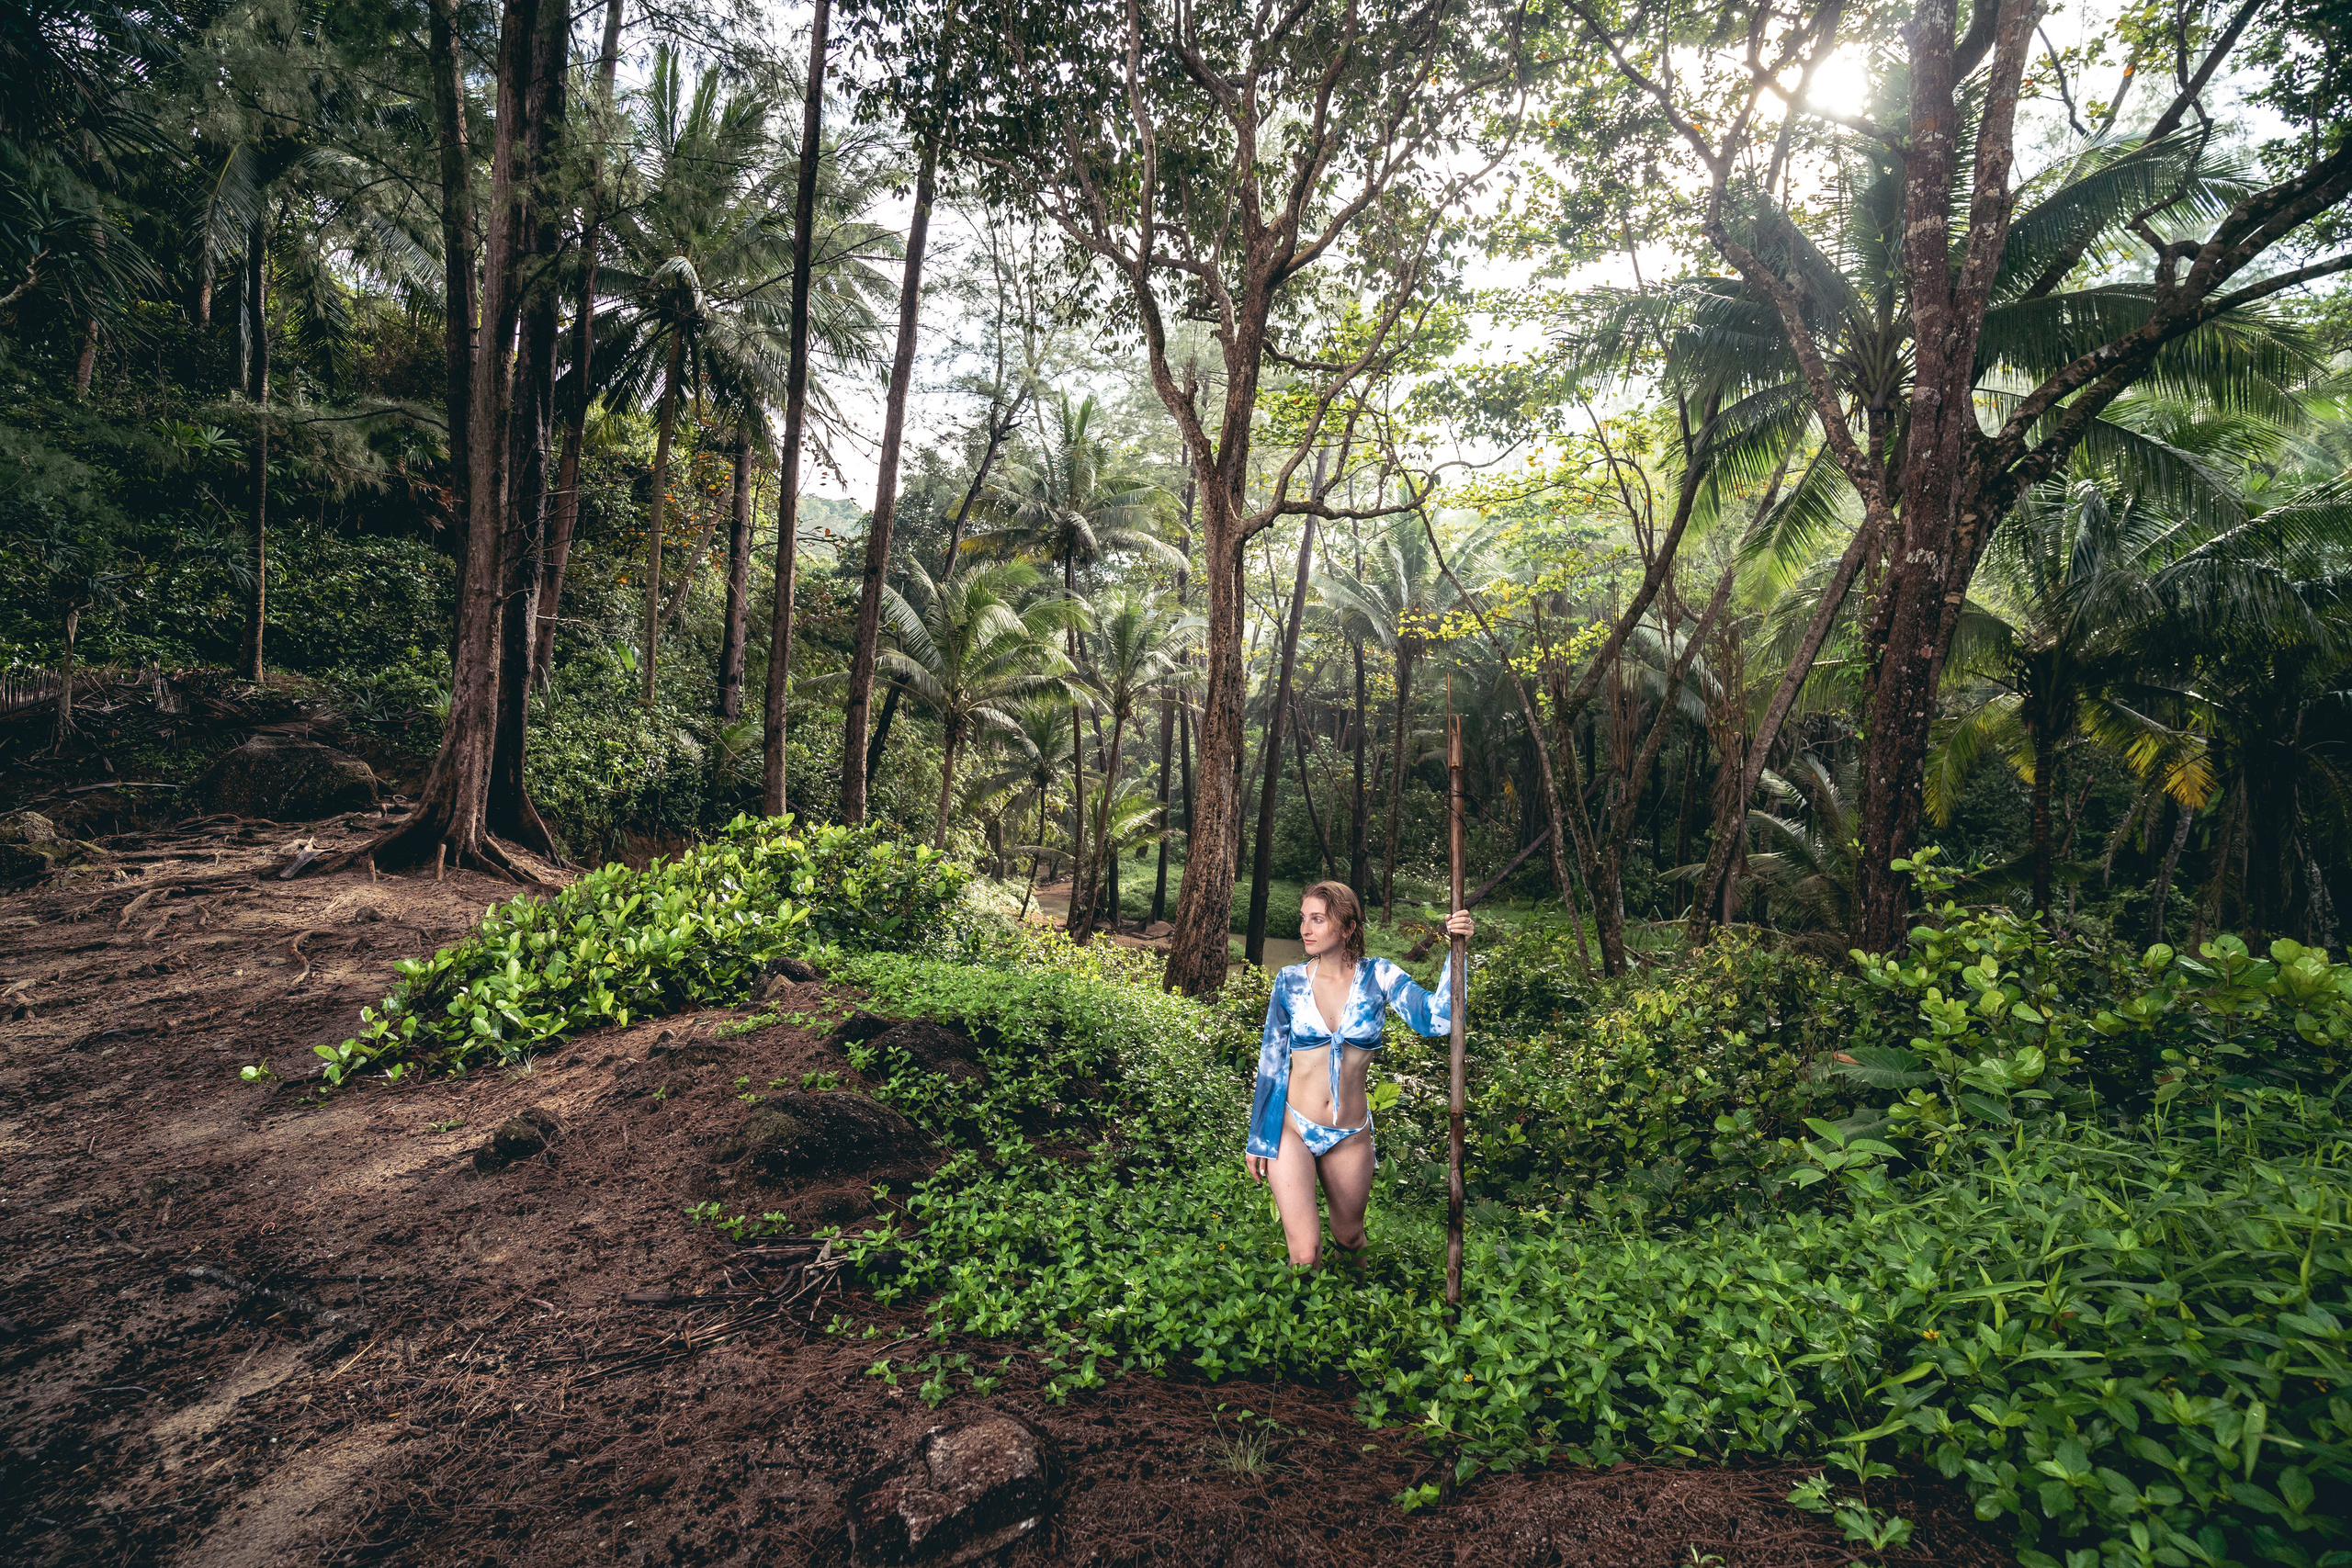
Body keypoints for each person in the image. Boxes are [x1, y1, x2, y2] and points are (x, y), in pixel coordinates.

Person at [1243, 880, 1474, 1269]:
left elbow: (1438, 1018)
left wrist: (1458, 950)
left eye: (1318, 920)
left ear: (1348, 927)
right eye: (1304, 919)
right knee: (1304, 1254)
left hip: (1349, 1135)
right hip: (1293, 1127)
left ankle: (1355, 1314)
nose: (1305, 929)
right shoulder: (1290, 981)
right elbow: (1271, 1061)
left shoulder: (1379, 976)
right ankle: (1305, 1322)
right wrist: (1258, 1137)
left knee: (1349, 1238)